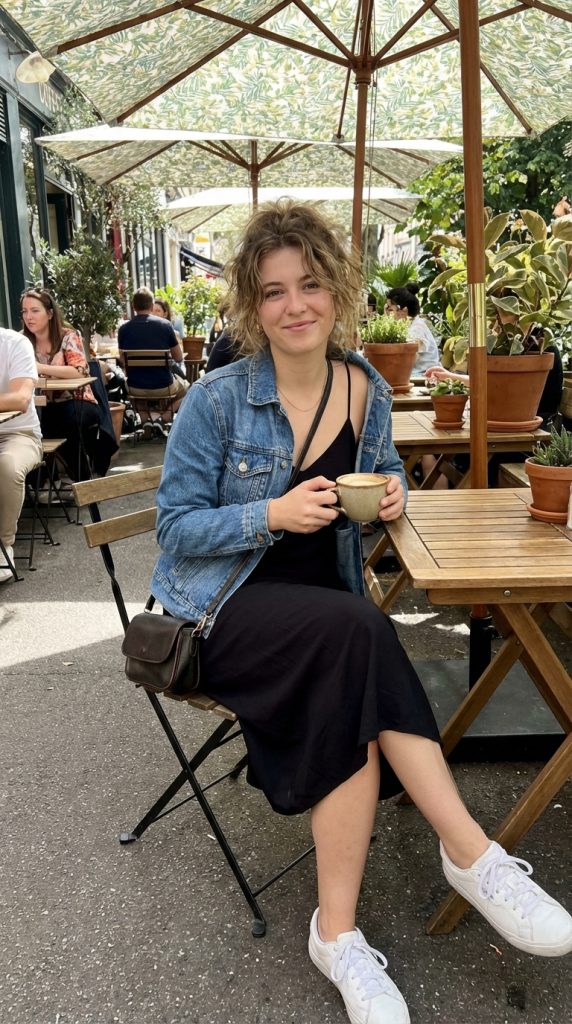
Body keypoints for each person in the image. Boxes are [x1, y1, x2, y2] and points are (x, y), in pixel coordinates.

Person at [151, 201, 572, 1024]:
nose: (295, 304)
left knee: (348, 658)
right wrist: (267, 515)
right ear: (251, 304)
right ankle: (472, 853)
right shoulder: (219, 400)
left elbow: (384, 475)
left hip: (327, 614)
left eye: (310, 283)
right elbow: (174, 528)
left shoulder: (366, 385)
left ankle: (336, 935)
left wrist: (388, 494)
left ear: (337, 291)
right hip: (223, 612)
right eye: (273, 292)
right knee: (357, 636)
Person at [21, 288, 109, 484]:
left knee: (63, 419)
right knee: (28, 424)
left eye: (35, 311)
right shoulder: (21, 341)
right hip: (41, 406)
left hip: (79, 401)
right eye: (25, 311)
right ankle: (52, 480)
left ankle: (68, 479)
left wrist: (39, 367)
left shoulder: (68, 336)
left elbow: (80, 370)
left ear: (50, 313)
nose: (29, 317)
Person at [0, 328, 43, 583]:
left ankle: (3, 548)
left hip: (19, 434)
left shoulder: (15, 343)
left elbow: (20, 399)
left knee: (6, 466)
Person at [118, 288, 190, 429]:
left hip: (135, 387)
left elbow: (122, 359)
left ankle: (146, 421)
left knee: (130, 391)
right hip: (164, 385)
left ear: (133, 307)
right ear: (151, 306)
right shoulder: (165, 325)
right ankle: (163, 419)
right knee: (189, 389)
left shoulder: (124, 329)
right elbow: (179, 357)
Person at [385, 283, 441, 376]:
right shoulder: (412, 324)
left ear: (403, 311)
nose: (388, 312)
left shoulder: (417, 329)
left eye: (390, 309)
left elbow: (408, 357)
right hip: (416, 375)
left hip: (422, 377)